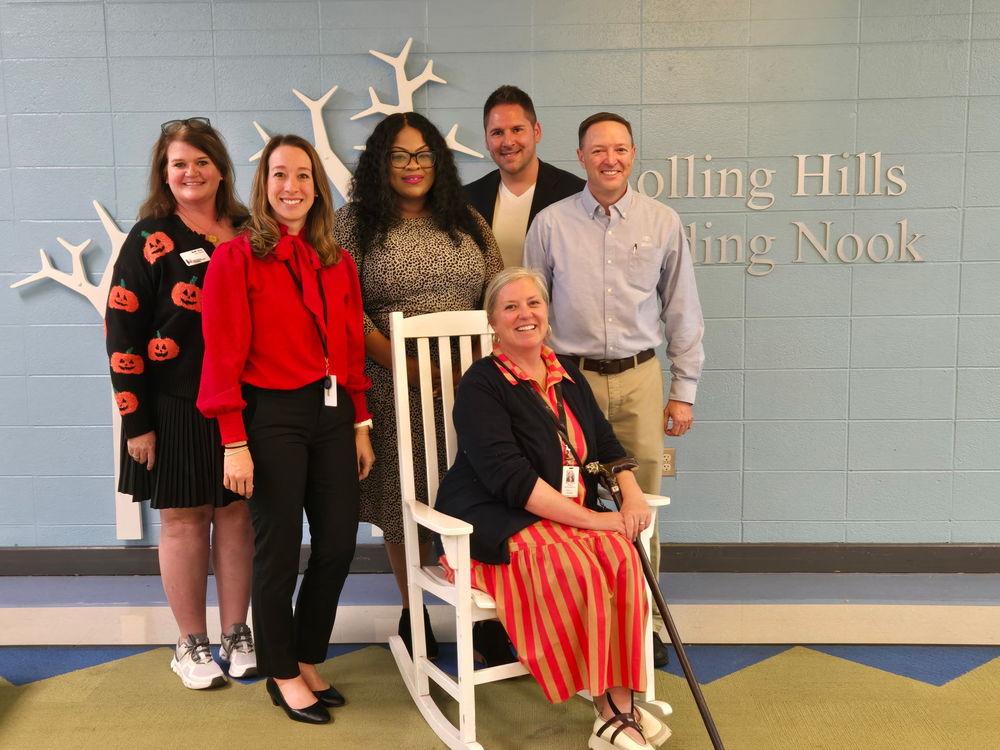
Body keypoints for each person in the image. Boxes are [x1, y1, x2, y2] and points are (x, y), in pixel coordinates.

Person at [435, 267, 671, 750]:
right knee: (575, 564)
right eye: (510, 307)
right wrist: (597, 519)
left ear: (547, 312)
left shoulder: (565, 373)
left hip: (560, 510)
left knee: (621, 556)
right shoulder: (482, 384)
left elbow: (605, 441)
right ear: (492, 322)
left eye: (533, 303)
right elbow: (512, 480)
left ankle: (619, 704)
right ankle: (609, 709)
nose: (525, 314)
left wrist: (629, 491)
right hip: (493, 513)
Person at [198, 134, 374, 725]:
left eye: (302, 175)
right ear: (263, 184)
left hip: (332, 413)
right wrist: (234, 441)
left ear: (317, 188)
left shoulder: (337, 261)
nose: (291, 187)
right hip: (269, 415)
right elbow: (222, 353)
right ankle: (281, 671)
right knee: (278, 550)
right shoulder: (235, 258)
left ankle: (304, 656)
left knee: (338, 544)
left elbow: (350, 347)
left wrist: (361, 424)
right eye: (279, 174)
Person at [524, 112, 705, 668]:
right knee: (568, 497)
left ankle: (644, 620)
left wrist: (684, 389)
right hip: (567, 380)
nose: (610, 159)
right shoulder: (550, 224)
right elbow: (530, 311)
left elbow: (682, 309)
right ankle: (581, 618)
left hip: (640, 379)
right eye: (598, 150)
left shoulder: (662, 221)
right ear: (581, 157)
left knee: (640, 499)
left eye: (620, 149)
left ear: (632, 154)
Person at [335, 111, 503, 661]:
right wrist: (410, 369)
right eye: (400, 155)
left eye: (424, 154)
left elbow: (496, 291)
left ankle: (482, 612)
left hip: (474, 385)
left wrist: (480, 369)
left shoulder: (467, 220)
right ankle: (415, 613)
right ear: (380, 163)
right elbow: (347, 309)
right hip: (393, 386)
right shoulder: (353, 224)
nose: (414, 166)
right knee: (404, 502)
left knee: (479, 495)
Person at [105, 117, 256, 690]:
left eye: (201, 162)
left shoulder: (249, 231)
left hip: (244, 402)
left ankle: (237, 632)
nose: (191, 172)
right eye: (179, 164)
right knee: (185, 520)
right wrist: (136, 422)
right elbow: (121, 332)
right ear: (164, 173)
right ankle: (191, 642)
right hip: (173, 404)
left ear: (220, 169)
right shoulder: (150, 236)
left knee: (237, 515)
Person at [464, 85, 584, 268]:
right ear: (486, 140)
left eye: (517, 130)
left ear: (537, 132)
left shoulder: (576, 194)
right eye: (497, 132)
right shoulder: (466, 200)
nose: (508, 142)